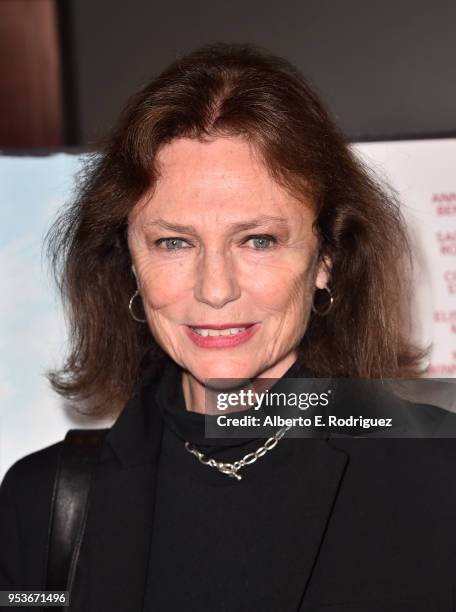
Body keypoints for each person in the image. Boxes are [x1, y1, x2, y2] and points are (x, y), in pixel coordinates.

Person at [1, 43, 456, 612]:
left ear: (326, 259)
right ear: (128, 264)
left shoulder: (439, 478)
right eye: (174, 242)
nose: (215, 289)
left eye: (258, 240)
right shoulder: (42, 502)